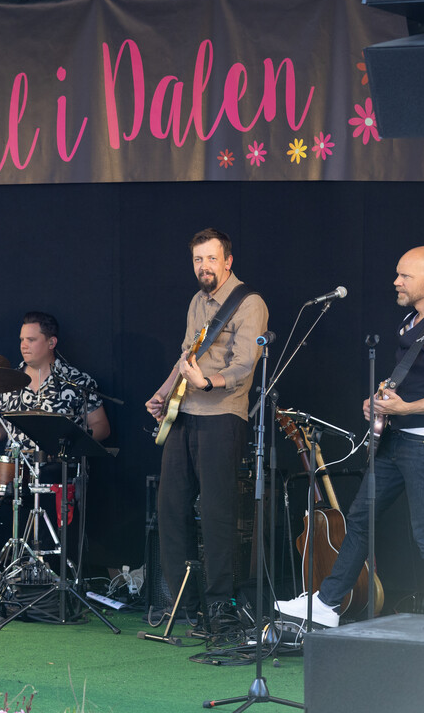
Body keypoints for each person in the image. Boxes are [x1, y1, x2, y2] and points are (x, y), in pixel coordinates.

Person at [277, 246, 424, 627]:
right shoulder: (411, 322)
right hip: (395, 440)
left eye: (405, 276)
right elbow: (411, 381)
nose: (396, 282)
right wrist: (381, 400)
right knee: (361, 519)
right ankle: (328, 604)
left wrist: (402, 408)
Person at [146, 228, 268, 632]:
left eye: (211, 259)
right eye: (198, 260)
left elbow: (245, 365)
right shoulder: (197, 301)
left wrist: (208, 383)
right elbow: (186, 356)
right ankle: (184, 604)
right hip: (183, 413)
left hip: (222, 415)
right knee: (170, 509)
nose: (204, 267)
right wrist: (163, 393)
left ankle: (220, 606)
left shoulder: (249, 303)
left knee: (216, 514)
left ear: (228, 261)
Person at [0, 312, 110, 528]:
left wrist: (71, 442)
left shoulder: (77, 381)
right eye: (22, 339)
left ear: (51, 342)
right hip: (16, 477)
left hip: (59, 474)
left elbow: (101, 426)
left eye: (31, 339)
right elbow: (0, 428)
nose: (24, 345)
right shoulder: (8, 381)